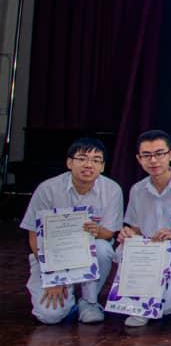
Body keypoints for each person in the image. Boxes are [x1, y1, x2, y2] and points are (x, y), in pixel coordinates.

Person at [21, 137, 121, 324]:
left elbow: (109, 234)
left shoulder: (112, 190)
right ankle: (69, 299)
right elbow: (34, 236)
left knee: (103, 248)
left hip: (87, 254)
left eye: (96, 160)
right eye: (82, 158)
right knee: (49, 316)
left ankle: (89, 302)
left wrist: (97, 231)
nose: (88, 165)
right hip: (52, 257)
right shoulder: (47, 189)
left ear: (102, 166)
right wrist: (53, 276)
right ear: (69, 163)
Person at [116, 130, 171, 328]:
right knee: (120, 250)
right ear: (139, 159)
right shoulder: (137, 190)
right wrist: (129, 234)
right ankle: (150, 302)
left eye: (159, 154)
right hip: (149, 259)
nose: (153, 160)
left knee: (164, 303)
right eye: (147, 155)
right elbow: (136, 229)